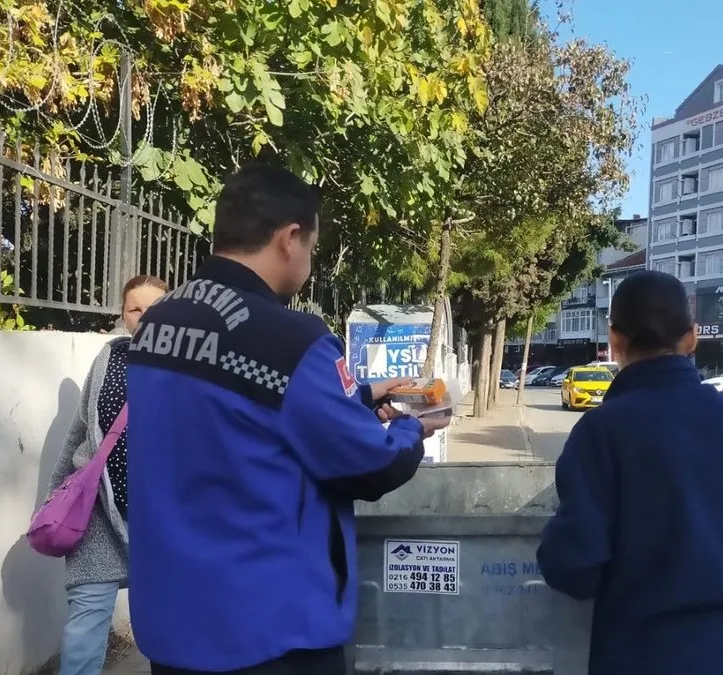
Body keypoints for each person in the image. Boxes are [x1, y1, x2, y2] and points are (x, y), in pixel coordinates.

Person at [126, 164, 449, 675]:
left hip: (173, 627)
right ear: (290, 238)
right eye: (313, 249)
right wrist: (413, 427)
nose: (310, 263)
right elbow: (371, 465)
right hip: (269, 634)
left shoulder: (158, 324)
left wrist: (359, 395)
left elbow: (238, 417)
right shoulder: (291, 340)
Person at [536, 270, 723, 675]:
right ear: (692, 338)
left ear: (615, 341)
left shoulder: (602, 432)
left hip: (651, 656)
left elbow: (573, 567)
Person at [47, 274, 168, 675]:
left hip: (160, 516)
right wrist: (57, 492)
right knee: (86, 618)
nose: (145, 316)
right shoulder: (107, 357)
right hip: (97, 508)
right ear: (123, 314)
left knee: (166, 623)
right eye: (135, 308)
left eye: (156, 307)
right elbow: (80, 429)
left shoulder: (187, 364)